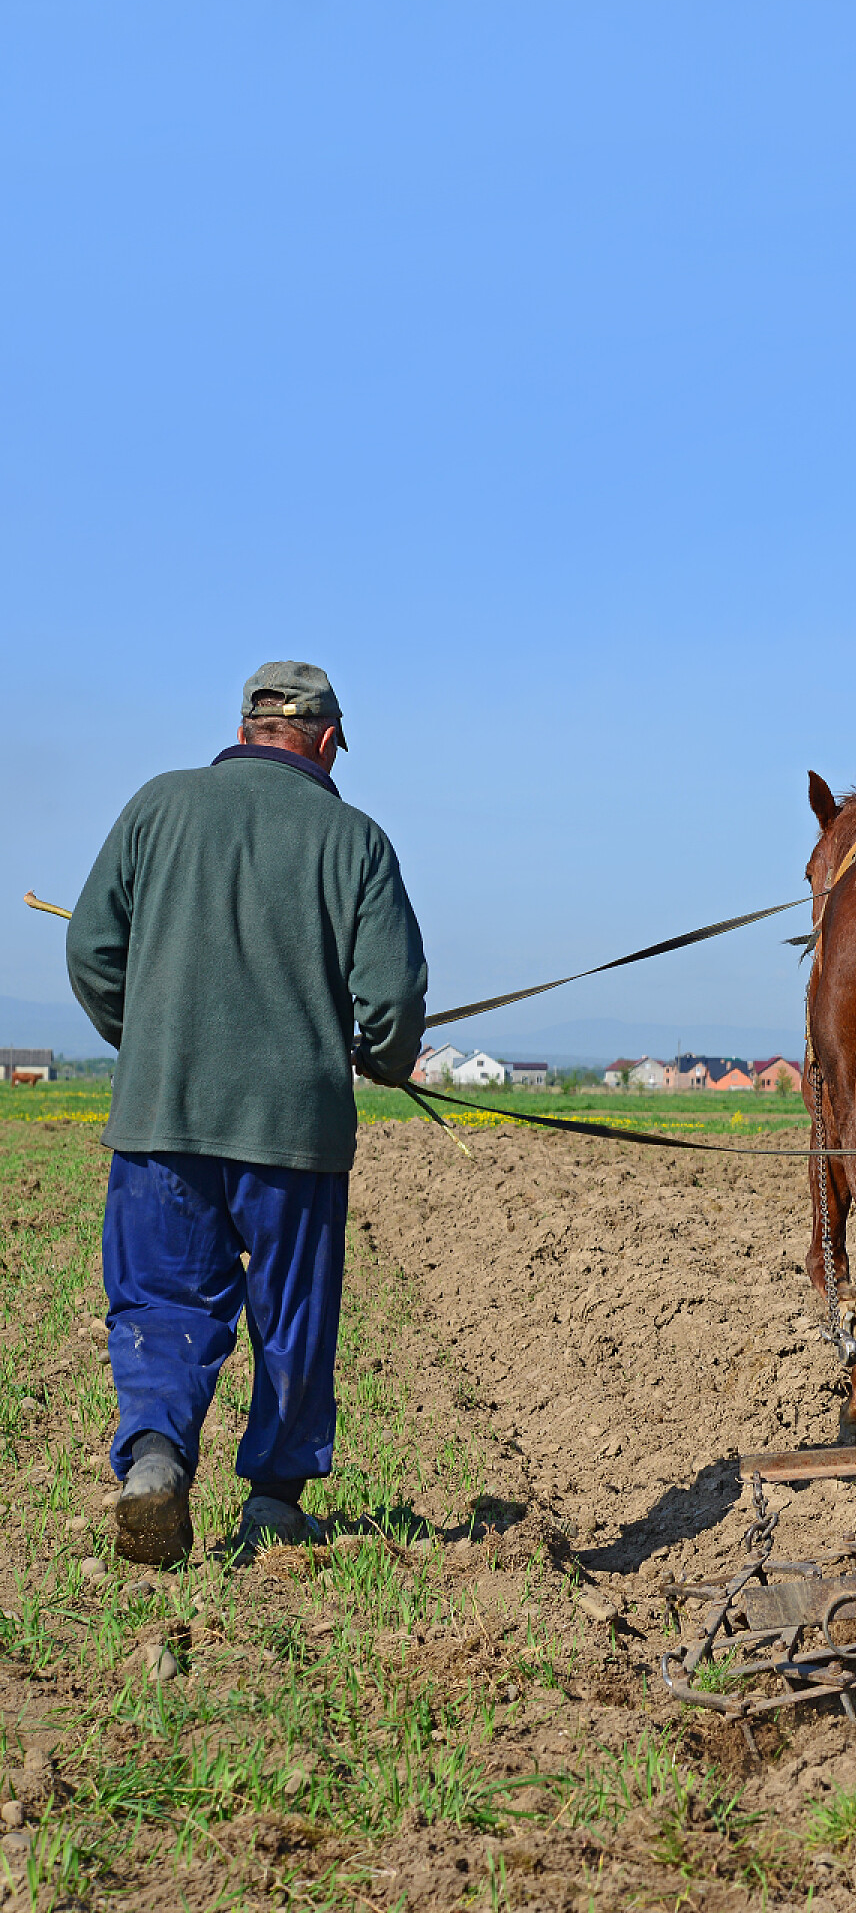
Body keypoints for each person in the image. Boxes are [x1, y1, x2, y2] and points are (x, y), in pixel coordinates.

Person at [66, 663, 428, 1567]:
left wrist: (149, 1042)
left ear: (244, 726)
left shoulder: (157, 806)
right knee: (293, 1312)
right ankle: (273, 1501)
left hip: (161, 1116)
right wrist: (379, 1061)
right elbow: (392, 996)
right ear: (329, 738)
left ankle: (154, 1461)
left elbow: (90, 948)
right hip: (294, 1132)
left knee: (158, 1298)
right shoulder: (356, 841)